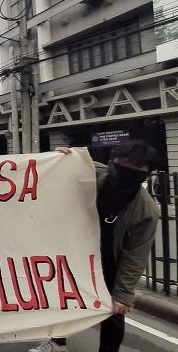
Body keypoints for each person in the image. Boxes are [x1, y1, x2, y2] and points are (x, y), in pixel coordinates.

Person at [29, 141, 159, 352]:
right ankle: (57, 343)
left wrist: (123, 293)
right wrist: (58, 158)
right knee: (62, 299)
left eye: (135, 174)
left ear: (146, 176)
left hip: (109, 259)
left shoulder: (146, 211)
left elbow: (136, 254)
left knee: (113, 314)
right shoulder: (92, 172)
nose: (126, 176)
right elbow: (63, 166)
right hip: (77, 251)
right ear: (110, 164)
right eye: (122, 169)